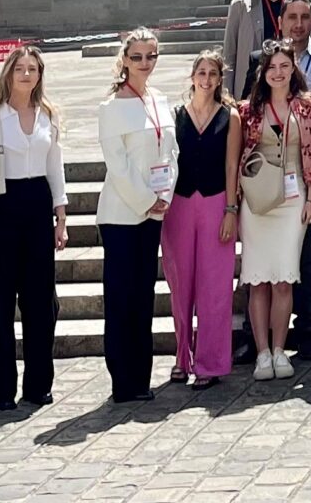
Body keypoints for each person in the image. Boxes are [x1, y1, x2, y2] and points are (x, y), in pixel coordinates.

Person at [0, 44, 66, 411]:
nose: (26, 74)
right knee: (2, 305)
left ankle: (38, 385)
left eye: (33, 69)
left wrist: (61, 217)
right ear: (8, 73)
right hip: (3, 211)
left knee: (41, 304)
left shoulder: (47, 117)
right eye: (20, 68)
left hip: (38, 206)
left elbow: (56, 168)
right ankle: (2, 389)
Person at [96, 28, 175, 404]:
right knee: (122, 298)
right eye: (138, 57)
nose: (145, 64)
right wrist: (146, 200)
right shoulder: (111, 107)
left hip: (154, 212)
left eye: (151, 56)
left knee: (144, 296)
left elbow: (170, 154)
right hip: (122, 214)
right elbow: (118, 165)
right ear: (125, 60)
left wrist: (165, 195)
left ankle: (141, 379)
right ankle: (122, 381)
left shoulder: (160, 100)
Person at [233, 41, 311, 378]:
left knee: (284, 278)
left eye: (285, 66)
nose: (278, 72)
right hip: (257, 201)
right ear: (263, 72)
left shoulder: (307, 107)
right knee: (258, 280)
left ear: (294, 69)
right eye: (272, 67)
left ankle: (281, 349)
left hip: (293, 198)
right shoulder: (248, 111)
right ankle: (262, 353)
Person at [162, 50, 236, 388]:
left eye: (212, 74)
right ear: (192, 77)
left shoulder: (229, 117)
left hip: (215, 202)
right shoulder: (175, 116)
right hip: (178, 204)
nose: (206, 79)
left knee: (215, 287)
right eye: (201, 73)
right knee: (181, 286)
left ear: (220, 79)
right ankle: (182, 357)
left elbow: (232, 166)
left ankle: (210, 362)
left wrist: (231, 210)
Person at [223, 0, 309, 89]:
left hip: (292, 88)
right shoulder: (240, 5)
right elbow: (229, 57)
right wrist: (227, 98)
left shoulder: (305, 2)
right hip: (252, 89)